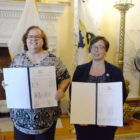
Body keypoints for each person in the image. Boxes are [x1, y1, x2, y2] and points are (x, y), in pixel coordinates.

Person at [2, 26, 70, 140]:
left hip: (46, 119)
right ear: (26, 40)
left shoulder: (53, 60)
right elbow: (10, 80)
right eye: (30, 36)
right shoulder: (18, 59)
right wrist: (6, 84)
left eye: (38, 36)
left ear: (43, 40)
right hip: (21, 118)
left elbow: (66, 78)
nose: (34, 39)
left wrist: (61, 90)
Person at [70, 36, 127, 140]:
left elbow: (122, 94)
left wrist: (109, 117)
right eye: (94, 47)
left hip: (106, 122)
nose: (97, 50)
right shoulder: (80, 70)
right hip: (84, 121)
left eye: (100, 47)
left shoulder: (115, 71)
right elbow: (73, 94)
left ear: (106, 50)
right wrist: (79, 115)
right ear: (90, 49)